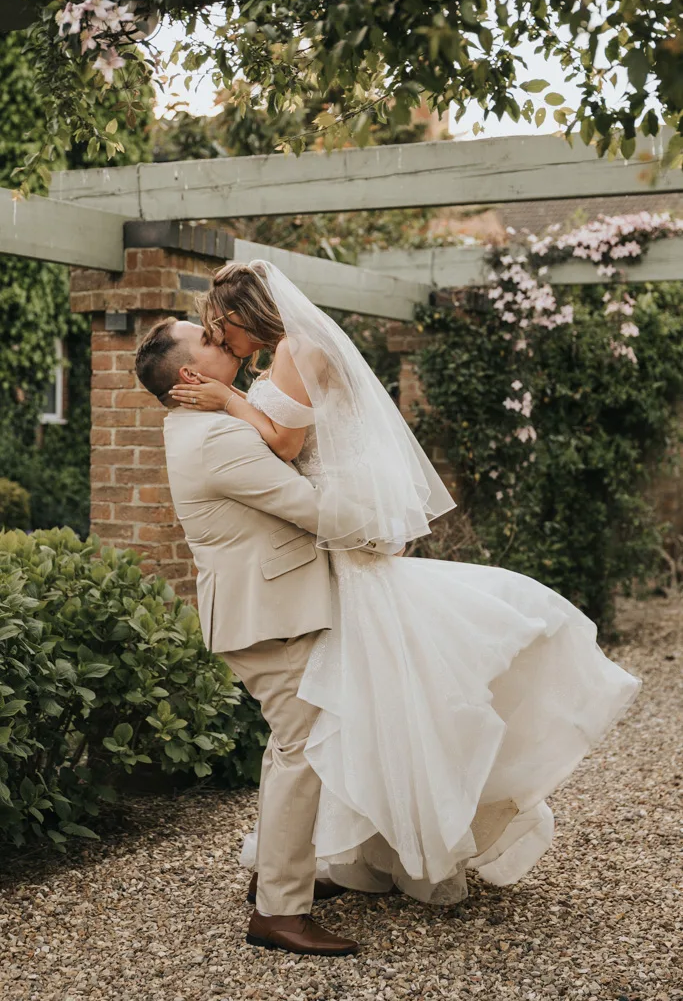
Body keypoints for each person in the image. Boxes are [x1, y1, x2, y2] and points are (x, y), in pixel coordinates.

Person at [167, 259, 642, 907]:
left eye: (222, 332)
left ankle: (367, 850)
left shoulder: (297, 351)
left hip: (335, 530)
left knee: (366, 706)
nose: (223, 344)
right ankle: (346, 854)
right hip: (323, 546)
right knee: (359, 708)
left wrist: (226, 400)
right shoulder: (289, 351)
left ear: (246, 313)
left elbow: (281, 444)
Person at [135, 317, 400, 957]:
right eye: (206, 337)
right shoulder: (215, 439)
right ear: (190, 374)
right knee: (302, 746)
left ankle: (281, 874)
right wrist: (386, 525)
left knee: (298, 743)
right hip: (268, 615)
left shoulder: (213, 421)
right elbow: (308, 506)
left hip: (270, 606)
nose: (219, 336)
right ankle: (279, 911)